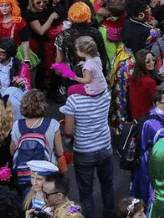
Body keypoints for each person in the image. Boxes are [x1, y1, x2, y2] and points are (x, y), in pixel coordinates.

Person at [61, 69, 115, 218]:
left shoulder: (73, 100)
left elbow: (69, 130)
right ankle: (110, 213)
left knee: (86, 191)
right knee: (107, 184)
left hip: (83, 150)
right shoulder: (106, 94)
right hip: (104, 146)